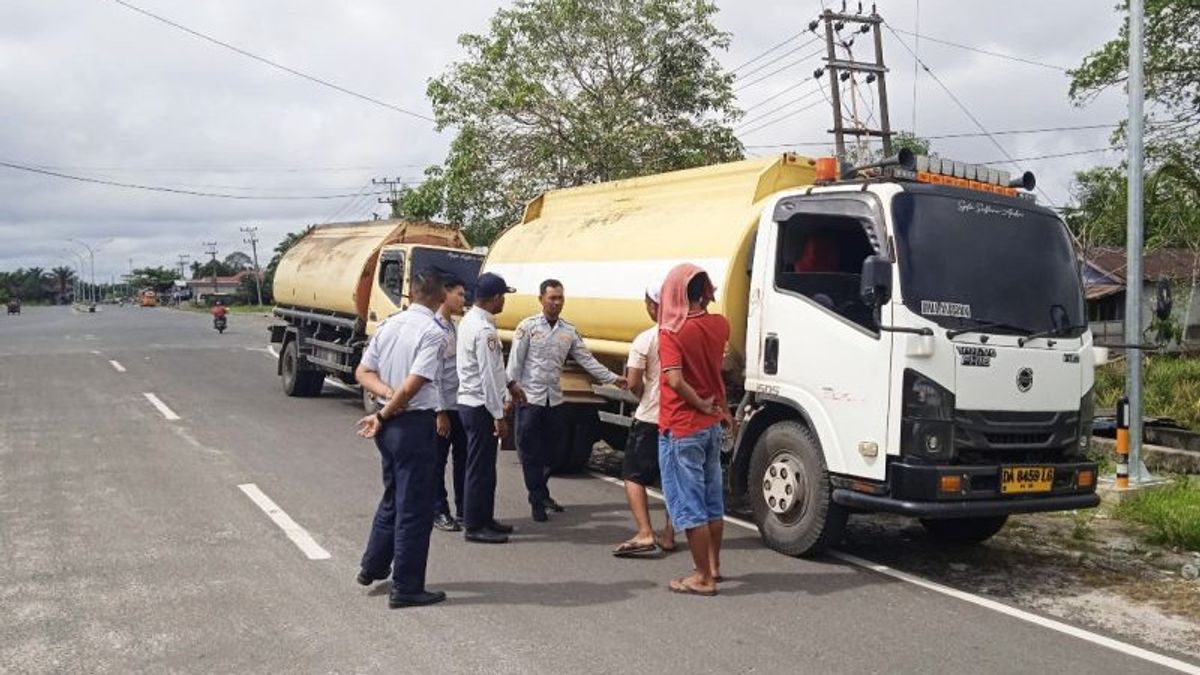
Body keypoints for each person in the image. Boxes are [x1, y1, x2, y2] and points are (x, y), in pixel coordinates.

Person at [352, 269, 448, 609]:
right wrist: (387, 409)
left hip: (389, 424)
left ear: (410, 296)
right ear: (440, 298)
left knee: (394, 496)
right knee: (415, 508)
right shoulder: (433, 332)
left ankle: (373, 565)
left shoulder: (390, 325)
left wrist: (384, 399)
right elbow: (413, 385)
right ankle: (406, 587)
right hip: (410, 424)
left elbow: (363, 372)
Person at [507, 279, 626, 522]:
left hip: (554, 399)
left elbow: (586, 359)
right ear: (541, 300)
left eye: (560, 298)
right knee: (529, 451)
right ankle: (537, 498)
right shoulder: (527, 327)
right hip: (529, 398)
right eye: (552, 298)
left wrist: (613, 378)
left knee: (552, 452)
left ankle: (541, 490)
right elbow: (514, 364)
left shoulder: (568, 331)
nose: (557, 303)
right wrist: (508, 395)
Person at [657, 264, 732, 597]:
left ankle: (702, 577)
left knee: (690, 506)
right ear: (704, 291)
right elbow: (717, 372)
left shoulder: (671, 331)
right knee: (713, 500)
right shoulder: (720, 325)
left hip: (682, 424)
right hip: (711, 426)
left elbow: (674, 379)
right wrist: (716, 409)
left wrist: (698, 404)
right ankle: (714, 566)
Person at [457, 272, 525, 544]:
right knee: (479, 468)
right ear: (496, 298)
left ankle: (485, 518)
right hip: (480, 406)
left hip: (475, 402)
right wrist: (499, 415)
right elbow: (486, 376)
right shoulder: (483, 329)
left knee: (486, 467)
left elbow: (495, 369)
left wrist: (510, 384)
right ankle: (474, 525)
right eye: (503, 297)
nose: (504, 302)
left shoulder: (472, 321)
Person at [613, 282, 675, 558]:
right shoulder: (682, 335)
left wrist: (643, 394)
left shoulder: (646, 339)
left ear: (652, 305)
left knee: (633, 475)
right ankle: (670, 535)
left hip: (650, 416)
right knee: (673, 478)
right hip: (680, 418)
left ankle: (645, 532)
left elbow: (634, 381)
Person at [432, 277, 469, 532]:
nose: (463, 300)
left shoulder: (454, 327)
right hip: (442, 406)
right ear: (444, 294)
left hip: (459, 404)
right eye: (460, 294)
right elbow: (432, 374)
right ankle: (439, 510)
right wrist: (440, 411)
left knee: (463, 459)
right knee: (437, 462)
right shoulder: (434, 329)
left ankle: (465, 509)